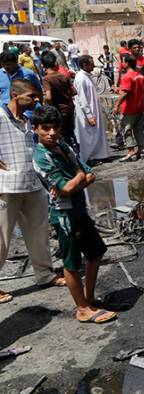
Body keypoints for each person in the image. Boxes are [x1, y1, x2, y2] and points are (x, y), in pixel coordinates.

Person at [31, 105, 117, 324]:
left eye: (55, 127)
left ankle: (88, 299)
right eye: (45, 128)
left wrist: (78, 178)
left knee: (96, 252)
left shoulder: (63, 146)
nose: (51, 133)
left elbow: (90, 174)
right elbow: (69, 186)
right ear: (35, 129)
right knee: (71, 263)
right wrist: (79, 177)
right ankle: (82, 309)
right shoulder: (41, 157)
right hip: (64, 215)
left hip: (78, 209)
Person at [0, 80, 67, 304]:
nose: (36, 100)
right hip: (6, 188)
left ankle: (45, 274)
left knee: (39, 233)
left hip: (33, 184)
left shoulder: (29, 121)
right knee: (2, 238)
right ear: (15, 95)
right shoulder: (0, 117)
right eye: (31, 96)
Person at [73, 55, 109, 165]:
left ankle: (99, 155)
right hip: (87, 112)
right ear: (84, 65)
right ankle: (90, 158)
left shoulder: (87, 76)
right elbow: (82, 99)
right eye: (91, 63)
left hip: (94, 109)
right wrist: (89, 115)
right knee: (88, 137)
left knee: (95, 134)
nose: (93, 65)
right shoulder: (80, 79)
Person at [41, 53, 79, 151]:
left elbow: (48, 97)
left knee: (62, 136)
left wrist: (49, 106)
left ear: (42, 65)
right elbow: (73, 92)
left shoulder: (46, 79)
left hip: (58, 111)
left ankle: (70, 156)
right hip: (69, 108)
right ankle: (77, 153)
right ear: (55, 63)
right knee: (71, 133)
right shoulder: (63, 76)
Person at [112, 55, 144, 161]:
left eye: (122, 61)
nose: (121, 63)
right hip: (140, 107)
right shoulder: (140, 76)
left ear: (126, 63)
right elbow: (138, 89)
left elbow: (125, 93)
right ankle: (140, 150)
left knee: (126, 130)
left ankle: (131, 151)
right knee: (139, 129)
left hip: (129, 108)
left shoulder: (127, 76)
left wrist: (117, 105)